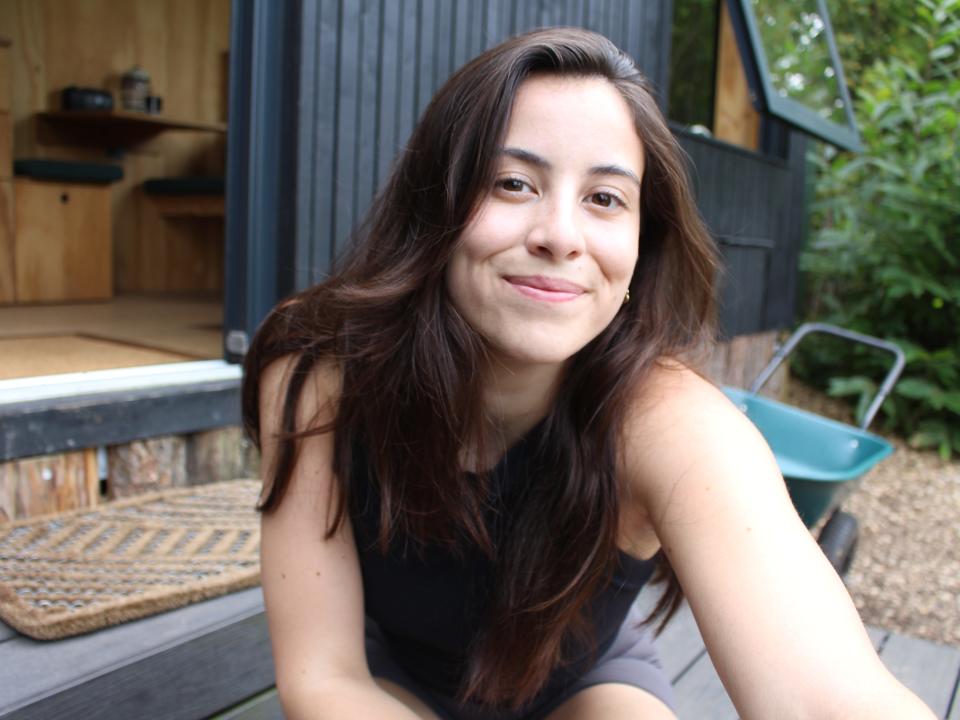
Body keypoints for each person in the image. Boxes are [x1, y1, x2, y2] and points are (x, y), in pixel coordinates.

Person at [241, 27, 934, 720]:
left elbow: (826, 698)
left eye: (605, 199)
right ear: (436, 209)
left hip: (585, 682)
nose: (561, 235)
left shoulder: (671, 423)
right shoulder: (319, 370)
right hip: (384, 677)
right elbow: (322, 675)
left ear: (642, 244)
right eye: (513, 183)